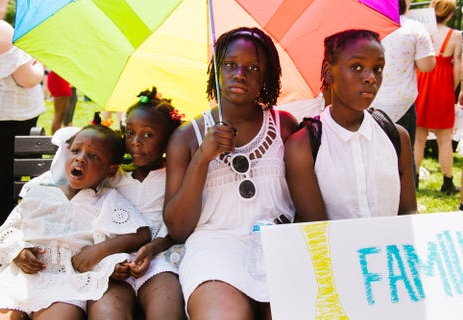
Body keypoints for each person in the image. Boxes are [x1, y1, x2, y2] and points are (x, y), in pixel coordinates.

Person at [163, 26, 299, 319]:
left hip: (279, 246)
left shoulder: (285, 126)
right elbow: (177, 228)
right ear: (216, 70)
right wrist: (202, 158)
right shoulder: (187, 137)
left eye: (253, 67)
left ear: (267, 76)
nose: (240, 73)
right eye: (230, 65)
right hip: (214, 249)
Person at [0, 124, 152, 320]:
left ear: (111, 171)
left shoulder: (108, 200)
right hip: (20, 278)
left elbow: (141, 233)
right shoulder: (41, 189)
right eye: (76, 151)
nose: (80, 158)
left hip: (67, 281)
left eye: (94, 156)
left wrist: (103, 256)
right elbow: (10, 229)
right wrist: (18, 250)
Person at [285, 29, 417, 222]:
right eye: (356, 67)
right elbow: (317, 231)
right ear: (328, 72)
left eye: (378, 68)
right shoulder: (303, 145)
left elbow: (409, 215)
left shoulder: (396, 137)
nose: (370, 77)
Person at [88, 87, 185, 320]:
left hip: (159, 257)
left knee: (166, 308)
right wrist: (109, 263)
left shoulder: (173, 177)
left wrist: (151, 249)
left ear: (168, 140)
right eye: (130, 133)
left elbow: (178, 228)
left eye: (147, 135)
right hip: (113, 262)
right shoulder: (113, 176)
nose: (136, 143)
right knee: (106, 312)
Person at [0, 0, 46, 228]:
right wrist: (39, 63)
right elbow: (28, 78)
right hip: (8, 115)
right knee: (7, 176)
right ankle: (4, 230)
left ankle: (0, 226)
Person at [370, 0, 436, 187]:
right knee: (405, 156)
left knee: (373, 155)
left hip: (370, 103)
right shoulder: (415, 28)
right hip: (402, 105)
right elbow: (427, 65)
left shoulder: (369, 28)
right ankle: (407, 203)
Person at [414, 0, 462, 194]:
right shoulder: (456, 36)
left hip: (421, 82)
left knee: (418, 138)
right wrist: (454, 89)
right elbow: (458, 67)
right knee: (444, 139)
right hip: (443, 86)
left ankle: (414, 178)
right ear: (450, 14)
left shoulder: (423, 31)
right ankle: (447, 182)